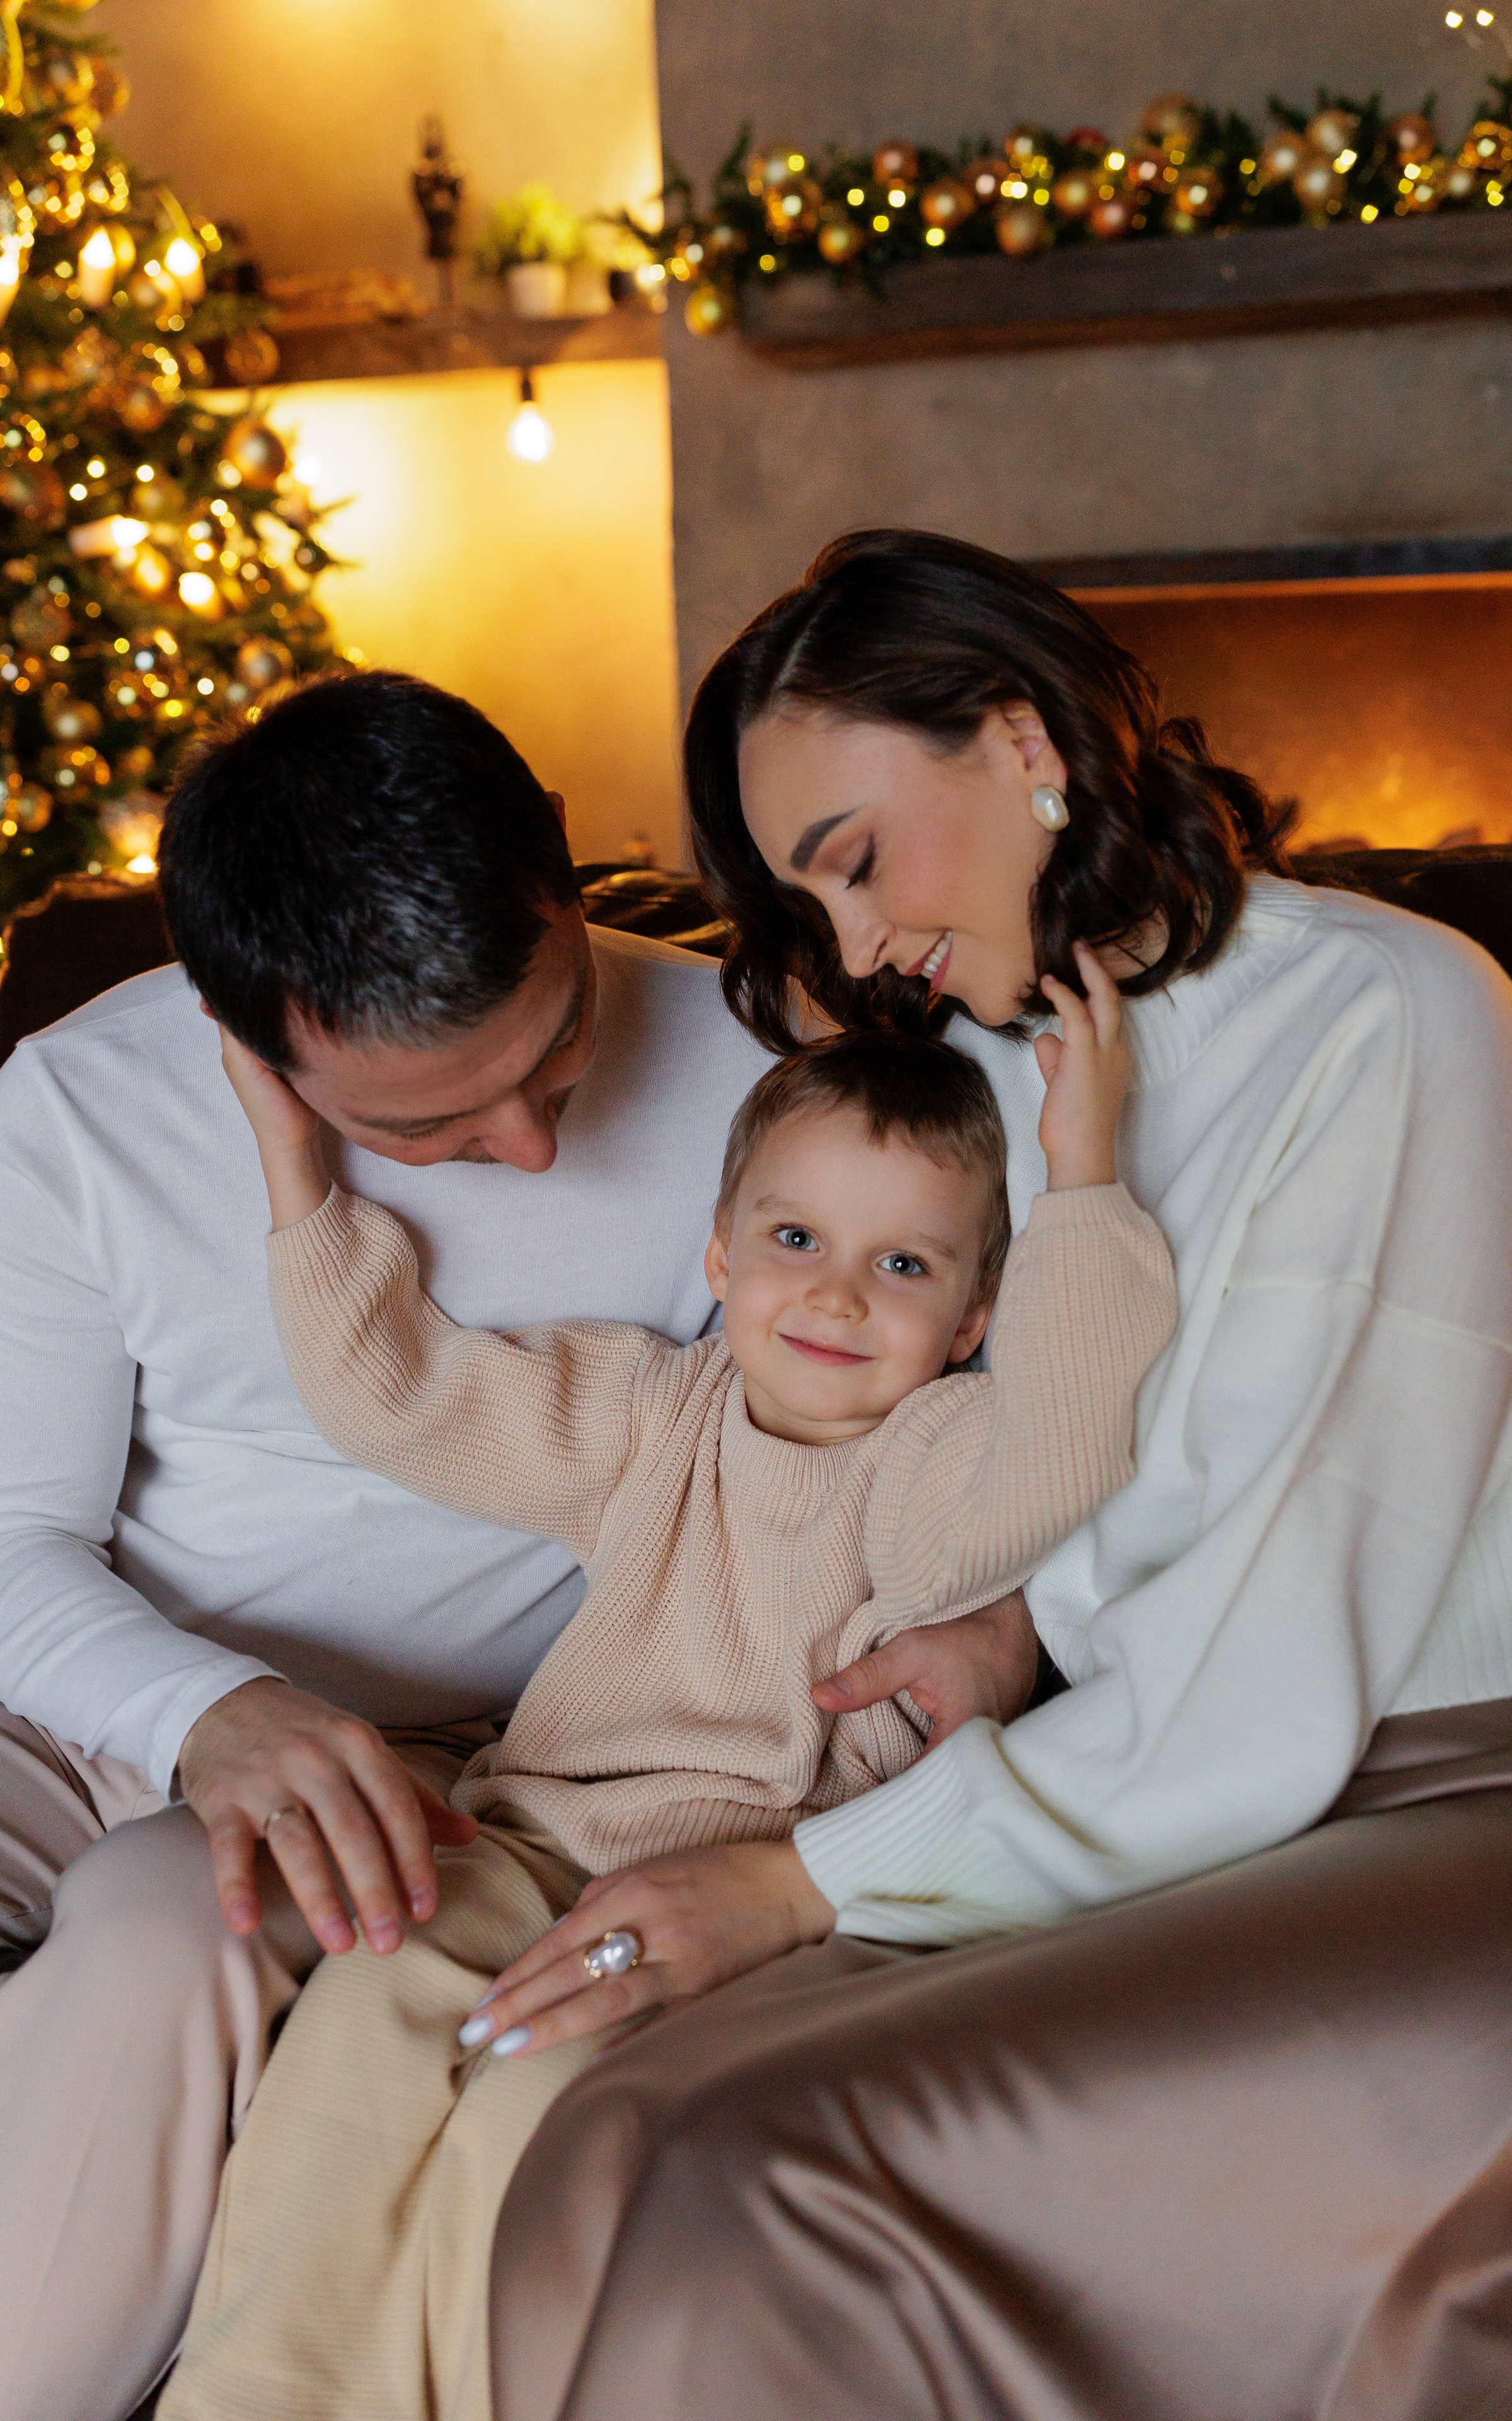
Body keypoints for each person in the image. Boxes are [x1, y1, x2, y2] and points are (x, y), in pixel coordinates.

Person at [473, 529, 1512, 2421]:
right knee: (597, 2131)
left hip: (1491, 1783)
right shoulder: (998, 1080)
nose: (850, 948)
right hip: (1172, 1776)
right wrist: (1013, 1618)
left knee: (743, 2181)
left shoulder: (1394, 1021)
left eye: (851, 860)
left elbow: (1286, 1623)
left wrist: (797, 1880)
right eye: (799, 901)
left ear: (1023, 744)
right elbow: (1103, 1476)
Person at [0, 666, 1029, 2421]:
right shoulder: (75, 1114)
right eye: (427, 1126)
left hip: (455, 1785)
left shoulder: (775, 1085)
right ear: (254, 1037)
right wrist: (213, 1711)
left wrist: (1005, 1619)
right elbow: (17, 1541)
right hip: (92, 1696)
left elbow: (934, 1433)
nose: (534, 1146)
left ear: (564, 868)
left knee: (174, 1928)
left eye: (556, 1047)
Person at [158, 963, 1172, 2421]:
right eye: (794, 1237)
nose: (831, 1292)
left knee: (526, 2113)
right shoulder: (650, 1410)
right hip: (536, 1840)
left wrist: (1080, 1177)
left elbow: (1063, 1446)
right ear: (716, 1257)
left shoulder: (936, 1459)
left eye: (903, 1267)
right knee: (363, 2020)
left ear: (967, 1320)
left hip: (751, 1891)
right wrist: (294, 1158)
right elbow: (401, 1396)